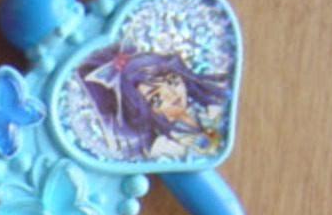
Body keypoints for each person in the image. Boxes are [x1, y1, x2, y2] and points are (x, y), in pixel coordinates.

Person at [78, 47, 230, 161]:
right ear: (140, 107)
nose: (171, 93)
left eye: (172, 81)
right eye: (156, 96)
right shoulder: (164, 146)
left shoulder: (212, 111)